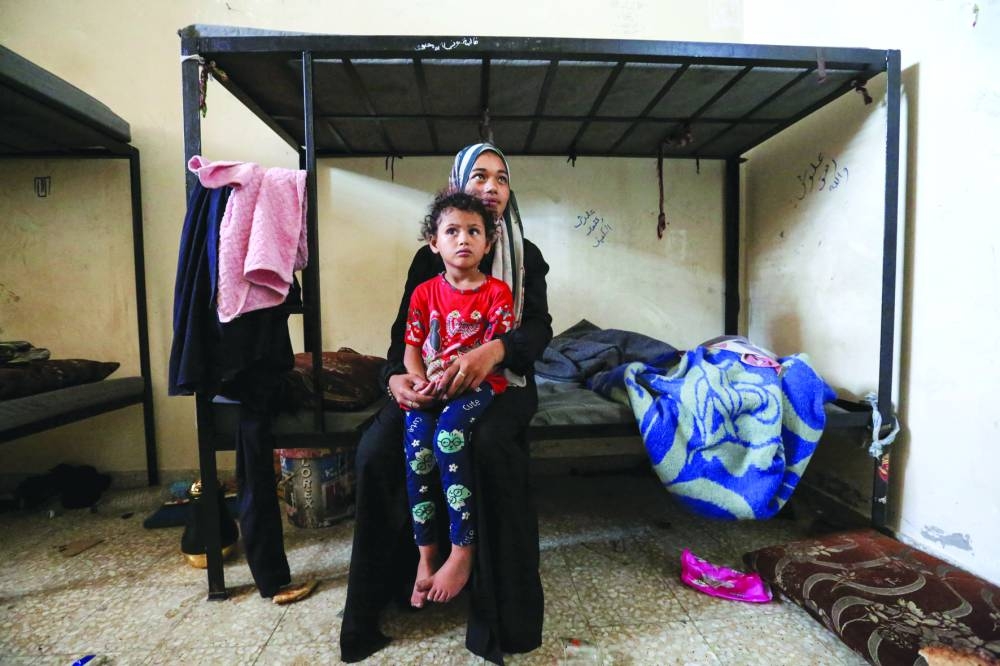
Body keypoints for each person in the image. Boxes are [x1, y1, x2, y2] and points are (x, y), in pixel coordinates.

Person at [340, 143, 552, 664]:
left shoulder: (528, 257)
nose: (491, 187)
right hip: (429, 382)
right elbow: (404, 337)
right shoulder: (426, 261)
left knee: (491, 444)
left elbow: (539, 331)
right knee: (375, 450)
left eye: (501, 179)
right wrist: (397, 380)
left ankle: (488, 598)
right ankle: (401, 576)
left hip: (502, 385)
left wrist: (495, 351)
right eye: (479, 176)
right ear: (457, 189)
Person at [401, 190, 515, 609]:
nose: (463, 239)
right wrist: (416, 381)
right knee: (417, 446)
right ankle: (426, 551)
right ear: (435, 242)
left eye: (474, 231)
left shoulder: (497, 294)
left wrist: (457, 381)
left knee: (448, 436)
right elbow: (411, 347)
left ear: (488, 243)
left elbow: (492, 359)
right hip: (431, 387)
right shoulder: (424, 293)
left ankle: (462, 548)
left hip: (476, 387)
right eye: (452, 231)